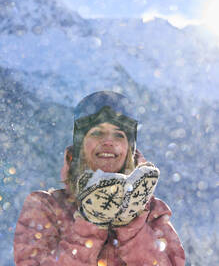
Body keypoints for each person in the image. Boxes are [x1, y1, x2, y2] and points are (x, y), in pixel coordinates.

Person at [14, 91, 185, 266]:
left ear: (129, 149)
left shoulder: (150, 212)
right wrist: (91, 224)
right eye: (97, 133)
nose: (108, 142)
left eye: (119, 134)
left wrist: (131, 224)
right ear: (80, 145)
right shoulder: (45, 208)